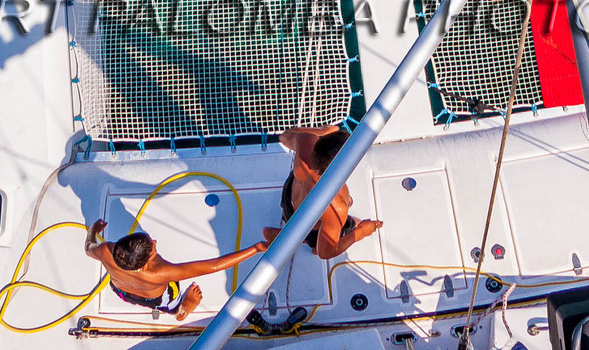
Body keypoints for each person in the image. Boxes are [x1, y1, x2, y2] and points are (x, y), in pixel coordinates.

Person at [84, 219, 265, 317]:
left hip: (121, 291)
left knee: (132, 296)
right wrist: (256, 248)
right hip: (159, 299)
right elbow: (213, 265)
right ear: (145, 263)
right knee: (173, 307)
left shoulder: (105, 251)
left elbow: (87, 247)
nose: (154, 242)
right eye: (152, 248)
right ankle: (183, 309)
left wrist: (92, 230)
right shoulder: (160, 273)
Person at [261, 126, 383, 261]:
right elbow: (325, 253)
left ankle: (290, 233)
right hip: (309, 225)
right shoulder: (337, 204)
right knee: (356, 224)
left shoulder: (306, 140)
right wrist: (360, 233)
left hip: (289, 198)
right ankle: (308, 241)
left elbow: (284, 136)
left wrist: (321, 132)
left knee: (319, 213)